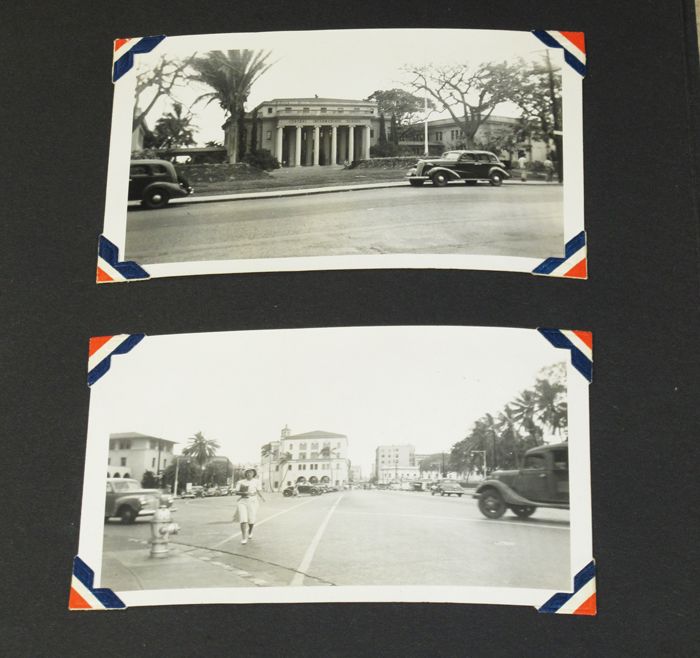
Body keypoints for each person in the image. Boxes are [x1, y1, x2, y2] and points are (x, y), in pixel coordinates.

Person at [234, 467, 265, 544]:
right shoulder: (240, 482)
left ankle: (250, 531)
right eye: (247, 472)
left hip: (253, 501)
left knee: (251, 520)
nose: (249, 473)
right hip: (243, 501)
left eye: (251, 472)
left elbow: (258, 491)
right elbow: (236, 492)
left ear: (253, 473)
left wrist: (262, 497)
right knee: (243, 519)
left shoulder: (257, 481)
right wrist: (244, 493)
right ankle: (244, 537)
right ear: (245, 474)